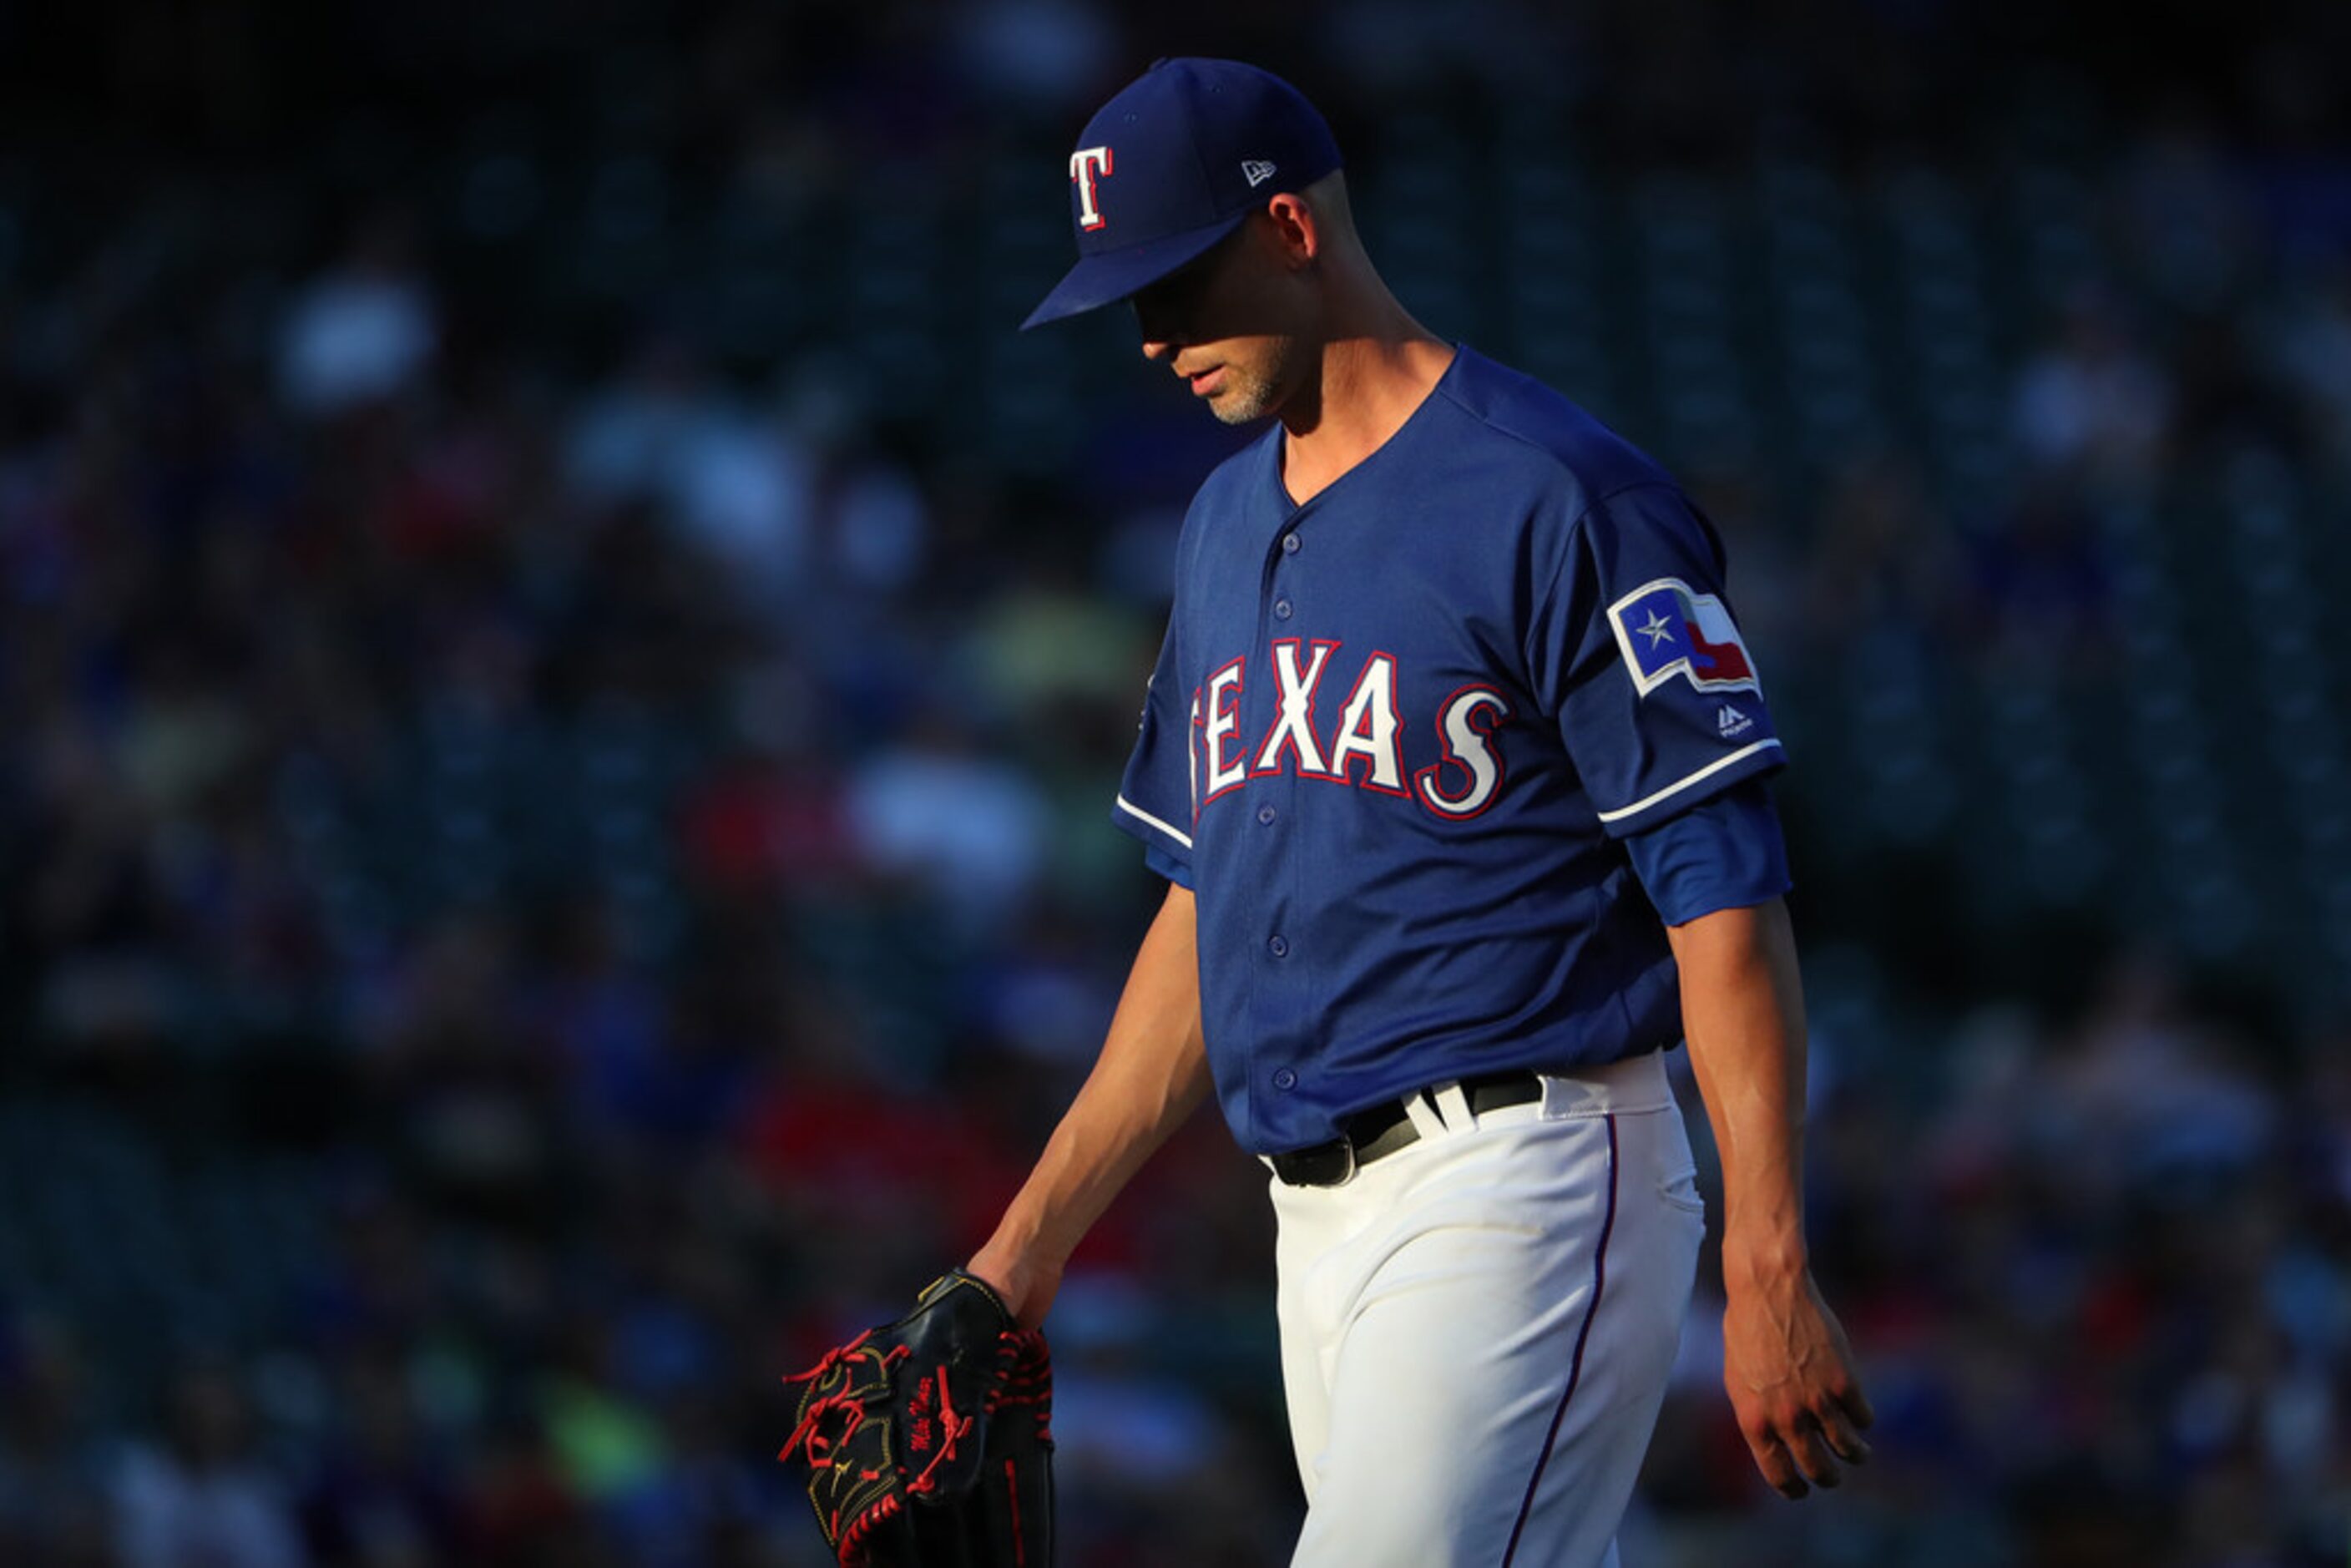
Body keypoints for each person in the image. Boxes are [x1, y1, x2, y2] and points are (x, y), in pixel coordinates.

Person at [970, 57, 1872, 1565]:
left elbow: (1723, 889)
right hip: (1308, 1228)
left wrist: (1770, 1254)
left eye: (1175, 283)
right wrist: (1017, 1256)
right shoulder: (1218, 527)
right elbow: (1206, 913)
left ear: (1292, 230)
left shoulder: (1559, 495)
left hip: (1521, 1173)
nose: (1147, 336)